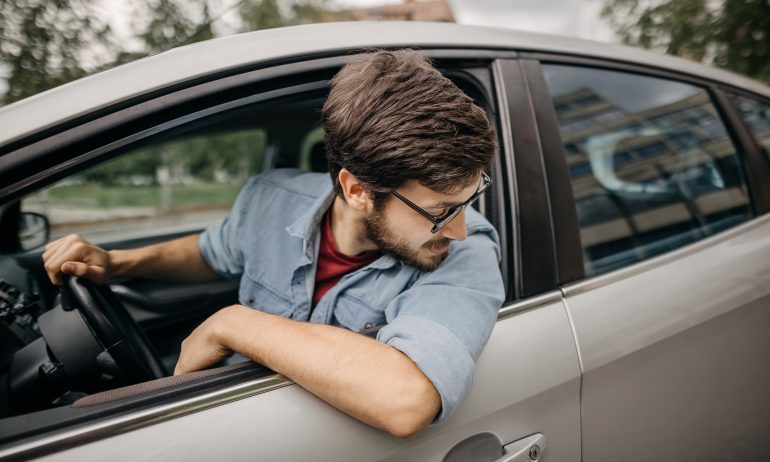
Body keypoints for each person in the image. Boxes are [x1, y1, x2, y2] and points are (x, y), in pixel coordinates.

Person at [42, 49, 505, 438]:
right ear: (358, 190)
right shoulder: (269, 199)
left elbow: (406, 399)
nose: (459, 228)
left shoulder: (467, 253)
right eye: (441, 211)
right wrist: (117, 262)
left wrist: (235, 324)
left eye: (468, 200)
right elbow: (210, 252)